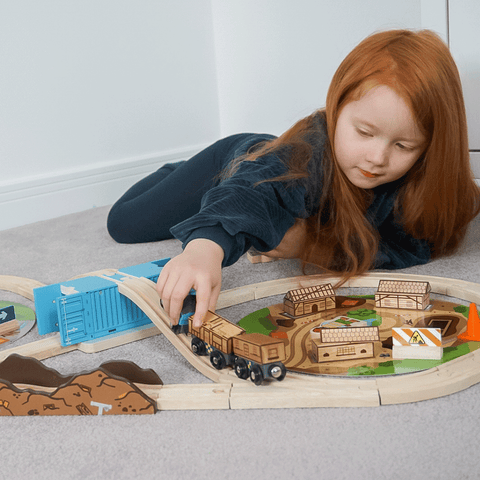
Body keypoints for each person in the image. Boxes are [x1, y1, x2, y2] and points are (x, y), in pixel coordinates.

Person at [107, 29, 480, 329]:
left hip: (278, 167)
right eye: (364, 132)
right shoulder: (310, 149)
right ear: (336, 108)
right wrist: (204, 247)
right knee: (124, 223)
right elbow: (253, 195)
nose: (377, 158)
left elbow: (414, 244)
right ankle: (185, 172)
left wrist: (311, 246)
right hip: (239, 161)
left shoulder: (433, 181)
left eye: (403, 145)